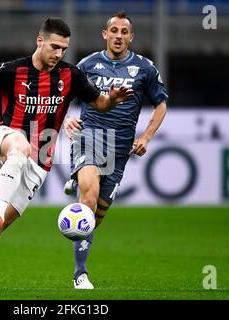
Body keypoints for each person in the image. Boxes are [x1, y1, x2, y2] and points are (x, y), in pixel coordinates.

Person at [0, 17, 133, 296]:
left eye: (64, 49)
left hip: (40, 163)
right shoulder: (13, 69)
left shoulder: (71, 76)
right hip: (7, 139)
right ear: (40, 41)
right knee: (21, 147)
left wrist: (112, 99)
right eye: (54, 47)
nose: (58, 54)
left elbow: (100, 103)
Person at [63, 11, 168, 289]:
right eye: (114, 31)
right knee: (88, 198)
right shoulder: (87, 64)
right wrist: (65, 119)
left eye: (124, 32)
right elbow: (61, 96)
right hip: (89, 138)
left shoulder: (145, 69)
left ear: (131, 37)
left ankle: (76, 183)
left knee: (94, 219)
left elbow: (161, 104)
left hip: (120, 149)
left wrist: (146, 136)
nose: (119, 36)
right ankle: (80, 275)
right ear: (105, 34)